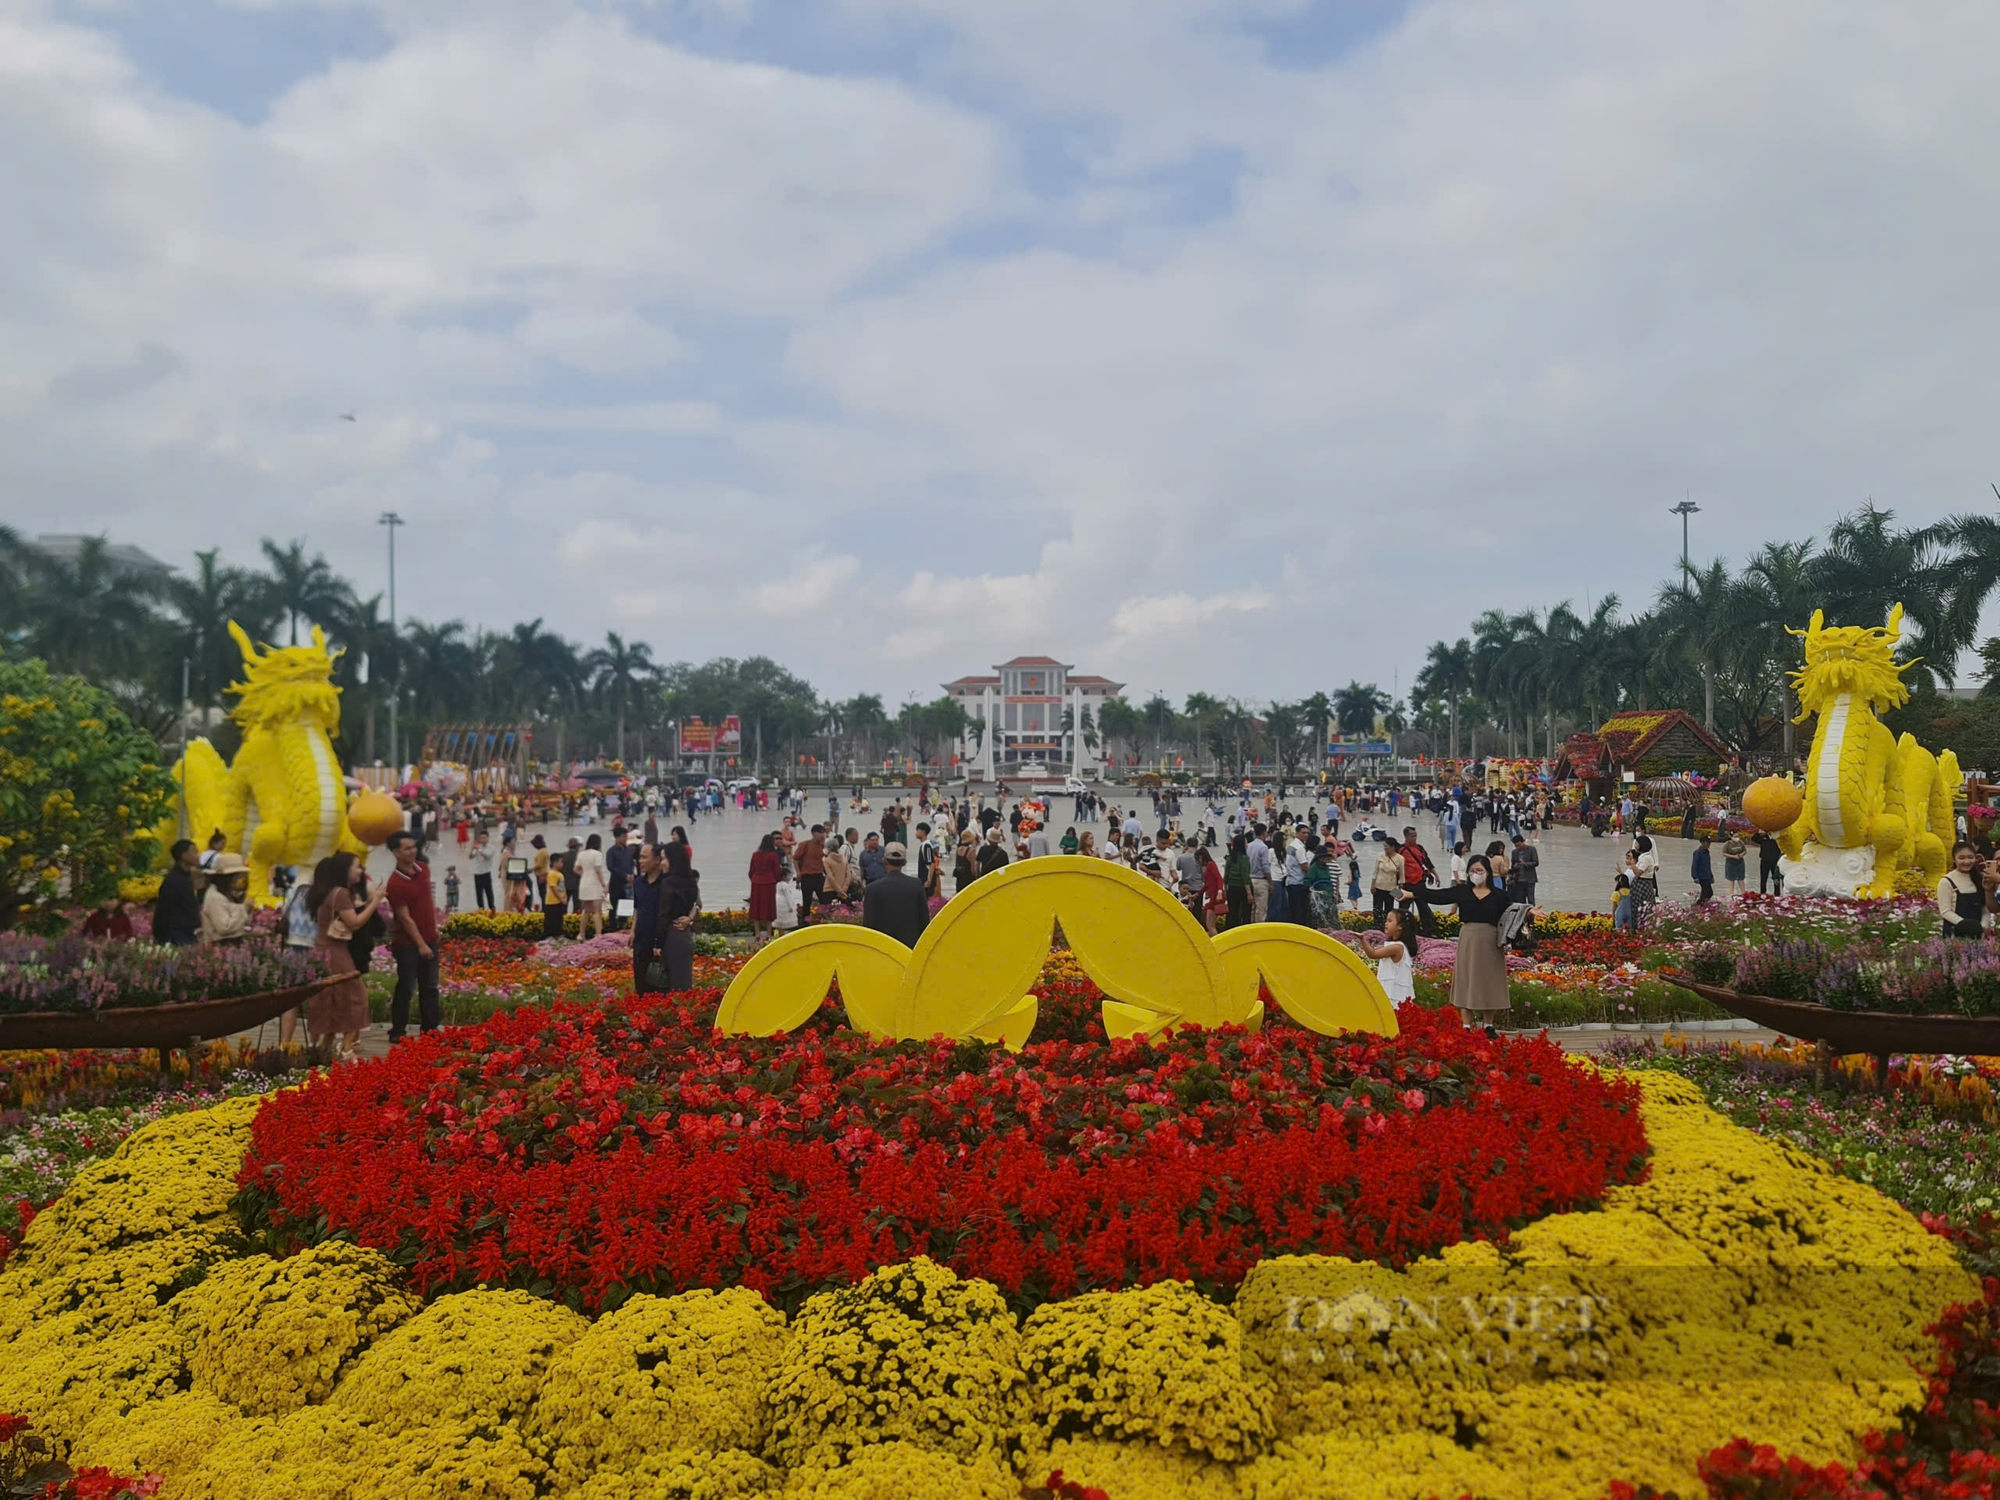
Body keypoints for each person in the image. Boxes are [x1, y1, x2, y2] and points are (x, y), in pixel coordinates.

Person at [306, 852, 383, 1062]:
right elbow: (355, 923)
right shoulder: (340, 893)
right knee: (356, 999)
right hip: (336, 952)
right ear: (345, 870)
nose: (361, 871)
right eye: (357, 866)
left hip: (323, 950)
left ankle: (325, 1048)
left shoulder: (330, 892)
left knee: (332, 1001)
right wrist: (375, 901)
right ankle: (346, 1047)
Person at [1428, 854, 1517, 1027]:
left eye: (1479, 870)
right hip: (1469, 938)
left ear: (1488, 872)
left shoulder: (1499, 895)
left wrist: (1529, 912)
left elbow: (1513, 912)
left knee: (1489, 979)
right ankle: (1466, 1025)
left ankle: (1488, 1025)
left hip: (1491, 939)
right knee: (1466, 978)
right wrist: (1410, 893)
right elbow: (1436, 896)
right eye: (1471, 870)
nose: (1475, 873)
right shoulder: (1463, 891)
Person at [384, 831, 442, 1041]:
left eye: (414, 846)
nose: (413, 851)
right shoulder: (395, 883)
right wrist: (421, 945)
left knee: (430, 987)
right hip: (408, 944)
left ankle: (430, 1030)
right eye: (407, 848)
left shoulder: (423, 869)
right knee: (407, 987)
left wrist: (432, 934)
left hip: (430, 937)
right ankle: (398, 1031)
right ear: (395, 852)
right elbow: (405, 918)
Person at [862, 843, 931, 947]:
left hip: (883, 948)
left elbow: (868, 925)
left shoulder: (872, 889)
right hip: (910, 947)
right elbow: (924, 920)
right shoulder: (916, 885)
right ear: (904, 863)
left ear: (884, 862)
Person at [659, 842, 701, 991]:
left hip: (671, 935)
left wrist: (657, 943)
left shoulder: (668, 884)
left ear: (673, 859)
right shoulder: (691, 882)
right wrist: (689, 919)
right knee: (684, 981)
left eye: (664, 858)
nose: (661, 863)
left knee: (671, 983)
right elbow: (696, 905)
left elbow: (663, 916)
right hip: (685, 936)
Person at [631, 842, 667, 994]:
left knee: (658, 985)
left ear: (657, 860)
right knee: (640, 984)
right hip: (641, 940)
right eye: (640, 857)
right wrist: (632, 931)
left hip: (661, 943)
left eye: (645, 857)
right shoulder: (638, 882)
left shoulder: (667, 883)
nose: (640, 861)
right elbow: (637, 908)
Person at [1358, 908, 1414, 1004]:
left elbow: (1372, 954)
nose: (1386, 923)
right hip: (1389, 989)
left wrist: (1362, 939)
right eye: (1386, 920)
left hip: (1393, 992)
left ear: (1400, 926)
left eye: (1390, 921)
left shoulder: (1397, 947)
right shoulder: (1395, 945)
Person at [154, 839, 203, 947]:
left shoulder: (188, 877)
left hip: (188, 933)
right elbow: (163, 911)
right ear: (183, 855)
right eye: (194, 851)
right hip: (177, 936)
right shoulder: (173, 881)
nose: (197, 855)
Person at [1938, 842, 1992, 939]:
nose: (1967, 862)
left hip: (1979, 934)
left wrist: (1983, 926)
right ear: (1954, 859)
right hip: (1955, 933)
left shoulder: (1979, 878)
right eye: (1961, 858)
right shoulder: (1946, 881)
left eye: (1970, 857)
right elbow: (1945, 911)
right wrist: (1968, 926)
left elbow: (1984, 907)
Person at [200, 852, 253, 946]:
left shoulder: (227, 894)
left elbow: (241, 921)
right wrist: (244, 908)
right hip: (220, 947)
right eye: (236, 876)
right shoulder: (214, 897)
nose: (238, 880)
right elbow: (224, 927)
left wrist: (247, 910)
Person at [748, 833, 783, 948]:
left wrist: (755, 878)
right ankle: (768, 934)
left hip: (756, 882)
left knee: (755, 907)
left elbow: (751, 871)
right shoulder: (773, 855)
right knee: (769, 907)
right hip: (769, 882)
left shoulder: (755, 855)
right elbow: (777, 871)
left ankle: (757, 934)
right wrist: (775, 880)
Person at [573, 833, 608, 940]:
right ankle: (598, 935)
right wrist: (603, 884)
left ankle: (581, 934)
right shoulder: (597, 854)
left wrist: (585, 874)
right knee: (597, 911)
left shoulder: (581, 854)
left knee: (587, 911)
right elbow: (598, 870)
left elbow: (576, 869)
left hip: (584, 883)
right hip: (595, 884)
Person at [606, 825, 635, 931]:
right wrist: (624, 875)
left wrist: (631, 876)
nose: (625, 839)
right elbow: (610, 867)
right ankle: (612, 928)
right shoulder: (611, 851)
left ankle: (623, 927)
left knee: (626, 905)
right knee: (613, 906)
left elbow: (631, 864)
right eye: (623, 837)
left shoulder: (628, 851)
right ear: (617, 837)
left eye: (626, 836)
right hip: (616, 882)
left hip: (628, 883)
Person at [793, 825, 826, 918]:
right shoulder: (805, 844)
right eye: (820, 833)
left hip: (819, 876)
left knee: (824, 900)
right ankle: (805, 923)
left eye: (823, 833)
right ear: (813, 833)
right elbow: (795, 859)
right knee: (807, 901)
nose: (822, 835)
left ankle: (824, 920)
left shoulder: (824, 846)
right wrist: (798, 872)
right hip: (807, 877)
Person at [1370, 840, 1403, 926]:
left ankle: (1387, 926)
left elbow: (1402, 876)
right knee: (1377, 908)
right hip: (1378, 886)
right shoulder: (1380, 856)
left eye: (1386, 846)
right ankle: (1377, 926)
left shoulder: (1400, 858)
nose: (1385, 848)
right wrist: (1372, 885)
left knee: (1389, 909)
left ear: (1392, 847)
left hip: (1391, 888)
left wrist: (1400, 890)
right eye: (1384, 846)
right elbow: (1375, 872)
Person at [1631, 835, 1660, 925]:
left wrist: (1632, 864)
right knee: (1636, 905)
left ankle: (1642, 926)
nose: (1635, 845)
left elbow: (1638, 873)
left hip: (1643, 884)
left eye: (1637, 843)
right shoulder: (1642, 857)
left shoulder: (1646, 858)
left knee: (1642, 907)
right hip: (1639, 884)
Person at [1196, 845, 1225, 934]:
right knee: (1211, 925)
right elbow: (1207, 885)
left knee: (1209, 925)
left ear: (1201, 857)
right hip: (1213, 896)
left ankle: (1215, 945)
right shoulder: (1209, 866)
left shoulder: (1211, 865)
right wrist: (1198, 894)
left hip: (1215, 897)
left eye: (1197, 859)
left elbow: (1219, 878)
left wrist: (1219, 892)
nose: (1197, 862)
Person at [468, 834, 496, 911]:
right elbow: (470, 857)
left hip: (486, 873)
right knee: (479, 893)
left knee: (488, 892)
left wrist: (478, 849)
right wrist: (472, 848)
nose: (483, 839)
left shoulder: (491, 847)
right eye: (481, 838)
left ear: (488, 838)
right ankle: (481, 909)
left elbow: (487, 856)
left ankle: (492, 908)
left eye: (484, 837)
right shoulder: (478, 847)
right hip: (477, 873)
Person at [541, 858, 567, 939]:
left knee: (559, 918)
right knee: (552, 919)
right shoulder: (552, 874)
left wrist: (565, 897)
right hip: (552, 901)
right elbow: (553, 887)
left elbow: (562, 887)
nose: (562, 864)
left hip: (560, 900)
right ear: (555, 863)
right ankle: (550, 936)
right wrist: (560, 898)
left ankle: (558, 934)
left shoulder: (559, 874)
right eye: (560, 862)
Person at [1754, 830, 1784, 895]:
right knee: (1763, 878)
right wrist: (1759, 832)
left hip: (1775, 861)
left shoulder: (1777, 838)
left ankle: (1777, 893)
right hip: (1765, 860)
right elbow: (1754, 839)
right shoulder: (1763, 837)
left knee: (1776, 878)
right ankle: (1763, 893)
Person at [1721, 830, 1748, 900]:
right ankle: (1731, 894)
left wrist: (1740, 855)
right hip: (1730, 863)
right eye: (1735, 836)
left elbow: (1745, 851)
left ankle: (1743, 893)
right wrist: (1733, 856)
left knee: (1741, 878)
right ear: (1731, 837)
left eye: (1738, 836)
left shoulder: (1741, 842)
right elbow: (1724, 853)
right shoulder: (1727, 844)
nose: (1737, 838)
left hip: (1740, 863)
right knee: (1731, 878)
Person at [1690, 834, 1715, 906]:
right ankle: (1700, 904)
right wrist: (1695, 876)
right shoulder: (1698, 852)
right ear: (1702, 842)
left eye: (1709, 843)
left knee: (1707, 892)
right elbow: (1694, 865)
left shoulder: (1707, 852)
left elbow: (1708, 866)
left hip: (1707, 876)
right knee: (1708, 892)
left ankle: (1700, 904)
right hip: (1701, 876)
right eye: (1707, 842)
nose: (1709, 844)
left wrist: (1711, 876)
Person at [773, 870, 800, 936]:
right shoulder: (785, 885)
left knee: (779, 919)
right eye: (788, 875)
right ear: (784, 876)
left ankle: (780, 933)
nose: (790, 877)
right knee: (784, 918)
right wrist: (791, 906)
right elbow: (788, 896)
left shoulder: (778, 884)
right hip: (784, 902)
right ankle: (782, 934)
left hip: (777, 901)